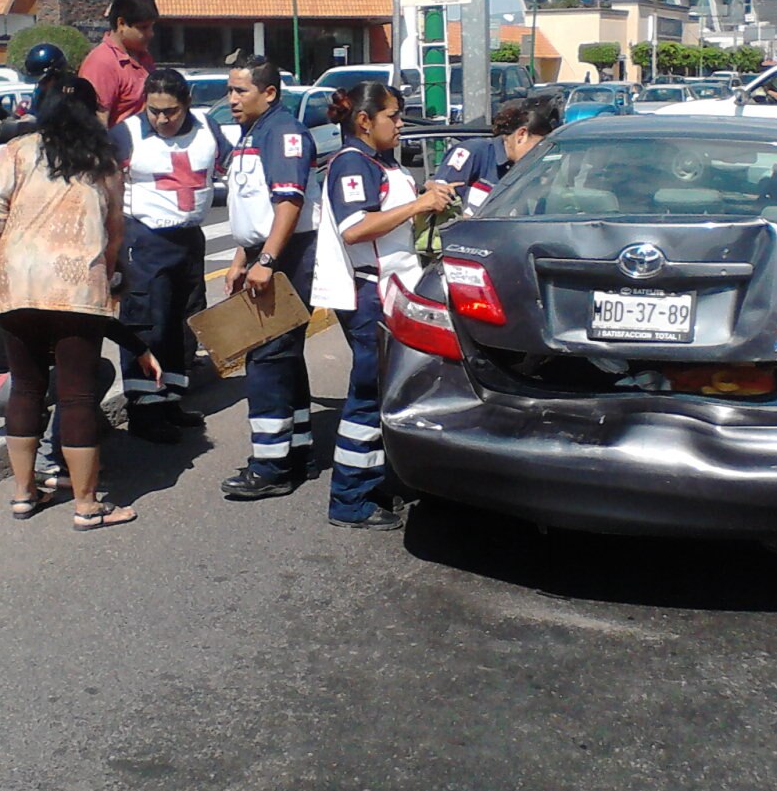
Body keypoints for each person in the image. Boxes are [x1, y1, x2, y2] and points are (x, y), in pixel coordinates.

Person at [0, 71, 134, 530]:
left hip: (18, 286)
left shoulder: (16, 151)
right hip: (77, 287)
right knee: (77, 393)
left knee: (26, 388)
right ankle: (87, 505)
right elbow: (114, 231)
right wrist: (106, 274)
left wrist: (6, 261)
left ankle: (24, 494)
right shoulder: (103, 161)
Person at [313, 81, 455, 530]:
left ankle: (375, 480)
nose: (400, 124)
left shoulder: (381, 160)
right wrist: (418, 204)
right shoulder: (351, 163)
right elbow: (356, 228)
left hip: (394, 290)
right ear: (363, 120)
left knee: (387, 391)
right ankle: (349, 497)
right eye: (392, 116)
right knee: (368, 394)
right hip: (371, 294)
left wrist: (427, 197)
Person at [111, 68, 230, 442]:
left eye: (171, 111)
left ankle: (171, 399)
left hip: (189, 240)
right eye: (155, 111)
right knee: (148, 325)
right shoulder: (126, 133)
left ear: (187, 104)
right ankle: (145, 411)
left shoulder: (208, 128)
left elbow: (235, 165)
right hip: (145, 242)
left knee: (183, 325)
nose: (162, 119)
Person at [220, 57, 320, 501]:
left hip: (288, 255)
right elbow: (254, 207)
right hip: (266, 252)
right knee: (282, 356)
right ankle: (295, 450)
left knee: (267, 358)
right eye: (230, 90)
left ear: (270, 92)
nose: (232, 99)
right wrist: (242, 257)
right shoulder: (254, 131)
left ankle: (270, 466)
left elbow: (288, 204)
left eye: (240, 91)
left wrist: (267, 259)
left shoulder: (283, 133)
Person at [0, 319, 147, 492]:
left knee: (83, 377)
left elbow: (104, 323)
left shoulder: (35, 309)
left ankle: (30, 487)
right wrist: (142, 351)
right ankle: (47, 460)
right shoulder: (58, 314)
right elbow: (102, 324)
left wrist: (141, 350)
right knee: (97, 371)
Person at [433, 99, 557, 213]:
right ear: (521, 135)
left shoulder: (523, 170)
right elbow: (437, 199)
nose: (540, 153)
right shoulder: (474, 152)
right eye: (538, 146)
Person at [79, 0, 158, 127]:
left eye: (151, 27)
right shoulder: (102, 63)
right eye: (143, 27)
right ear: (121, 24)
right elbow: (97, 123)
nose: (151, 34)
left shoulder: (144, 57)